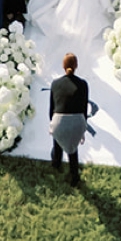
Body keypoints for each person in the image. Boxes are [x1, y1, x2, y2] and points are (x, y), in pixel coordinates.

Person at [49, 52, 93, 184]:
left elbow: (52, 109)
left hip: (59, 120)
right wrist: (83, 127)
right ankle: (74, 176)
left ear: (63, 66)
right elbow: (84, 109)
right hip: (77, 122)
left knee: (57, 141)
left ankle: (56, 163)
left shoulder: (55, 83)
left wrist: (52, 125)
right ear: (76, 66)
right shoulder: (83, 84)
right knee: (72, 150)